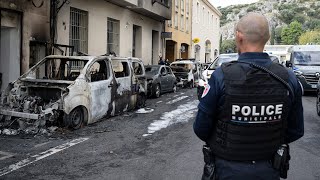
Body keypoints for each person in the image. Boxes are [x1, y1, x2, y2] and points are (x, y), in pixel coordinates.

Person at [193, 13, 304, 180]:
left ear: (238, 36)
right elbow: (296, 130)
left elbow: (201, 128)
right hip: (269, 169)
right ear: (268, 38)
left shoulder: (221, 75)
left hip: (226, 170)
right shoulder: (288, 78)